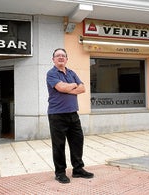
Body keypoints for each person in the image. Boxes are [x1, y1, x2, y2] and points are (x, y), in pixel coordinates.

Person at [46, 48, 94, 184]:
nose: (60, 57)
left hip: (73, 113)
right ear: (53, 59)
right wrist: (73, 85)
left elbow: (83, 88)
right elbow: (61, 88)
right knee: (59, 145)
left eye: (63, 55)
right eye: (58, 56)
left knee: (77, 142)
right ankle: (60, 173)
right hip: (57, 115)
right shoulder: (51, 73)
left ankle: (78, 169)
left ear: (67, 59)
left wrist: (68, 88)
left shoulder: (71, 72)